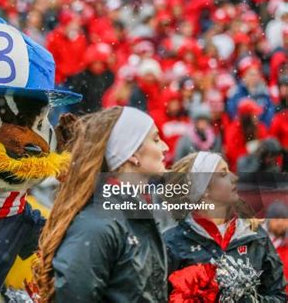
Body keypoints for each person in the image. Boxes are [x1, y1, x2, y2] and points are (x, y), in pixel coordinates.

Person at [34, 106, 169, 302]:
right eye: (156, 140)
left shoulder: (134, 214)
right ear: (132, 153)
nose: (165, 147)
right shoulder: (97, 224)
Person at [164, 152, 286, 302]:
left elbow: (279, 296)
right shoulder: (172, 243)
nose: (234, 178)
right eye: (223, 174)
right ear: (204, 190)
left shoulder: (255, 235)